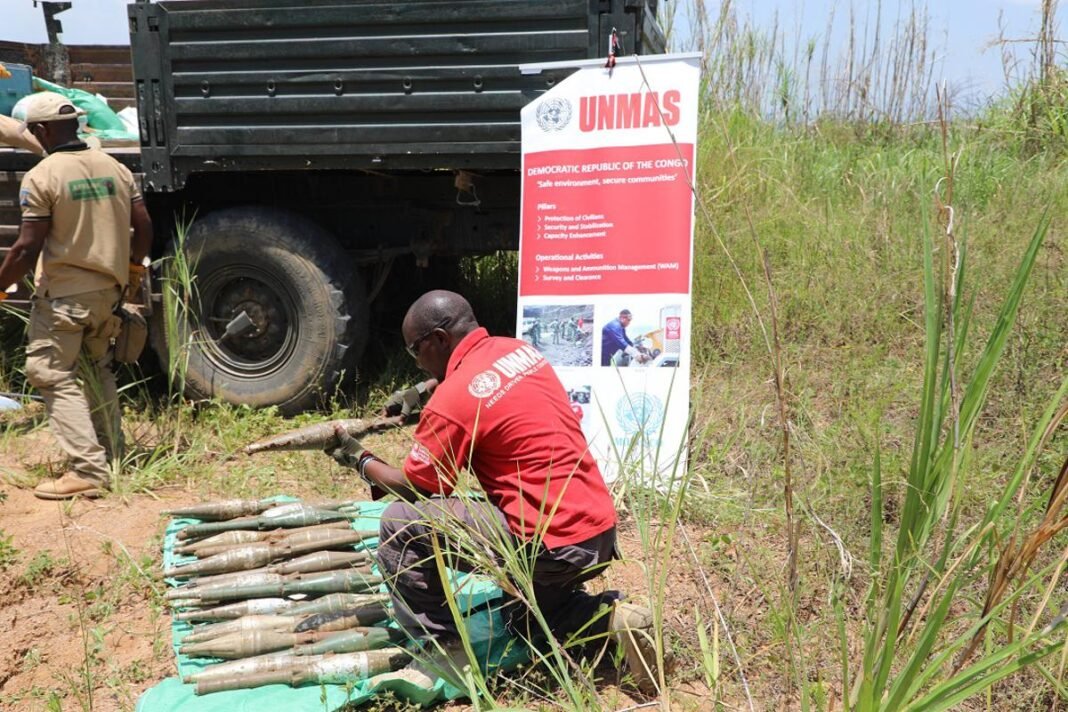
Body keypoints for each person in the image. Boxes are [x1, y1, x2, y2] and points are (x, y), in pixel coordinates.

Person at [327, 290, 658, 693]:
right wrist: (422, 389)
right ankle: (613, 617)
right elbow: (482, 380)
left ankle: (444, 649)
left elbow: (416, 488)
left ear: (438, 339)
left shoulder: (453, 399)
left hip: (547, 546)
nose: (416, 359)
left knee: (401, 524)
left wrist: (358, 458)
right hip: (597, 534)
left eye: (416, 350)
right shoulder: (518, 351)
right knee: (522, 622)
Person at [0, 92, 152, 500]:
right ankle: (112, 451)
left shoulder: (43, 176)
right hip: (109, 293)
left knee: (48, 372)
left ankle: (87, 469)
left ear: (42, 130)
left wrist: (1, 285)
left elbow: (25, 248)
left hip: (66, 298)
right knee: (95, 367)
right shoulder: (115, 168)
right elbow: (145, 227)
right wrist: (133, 271)